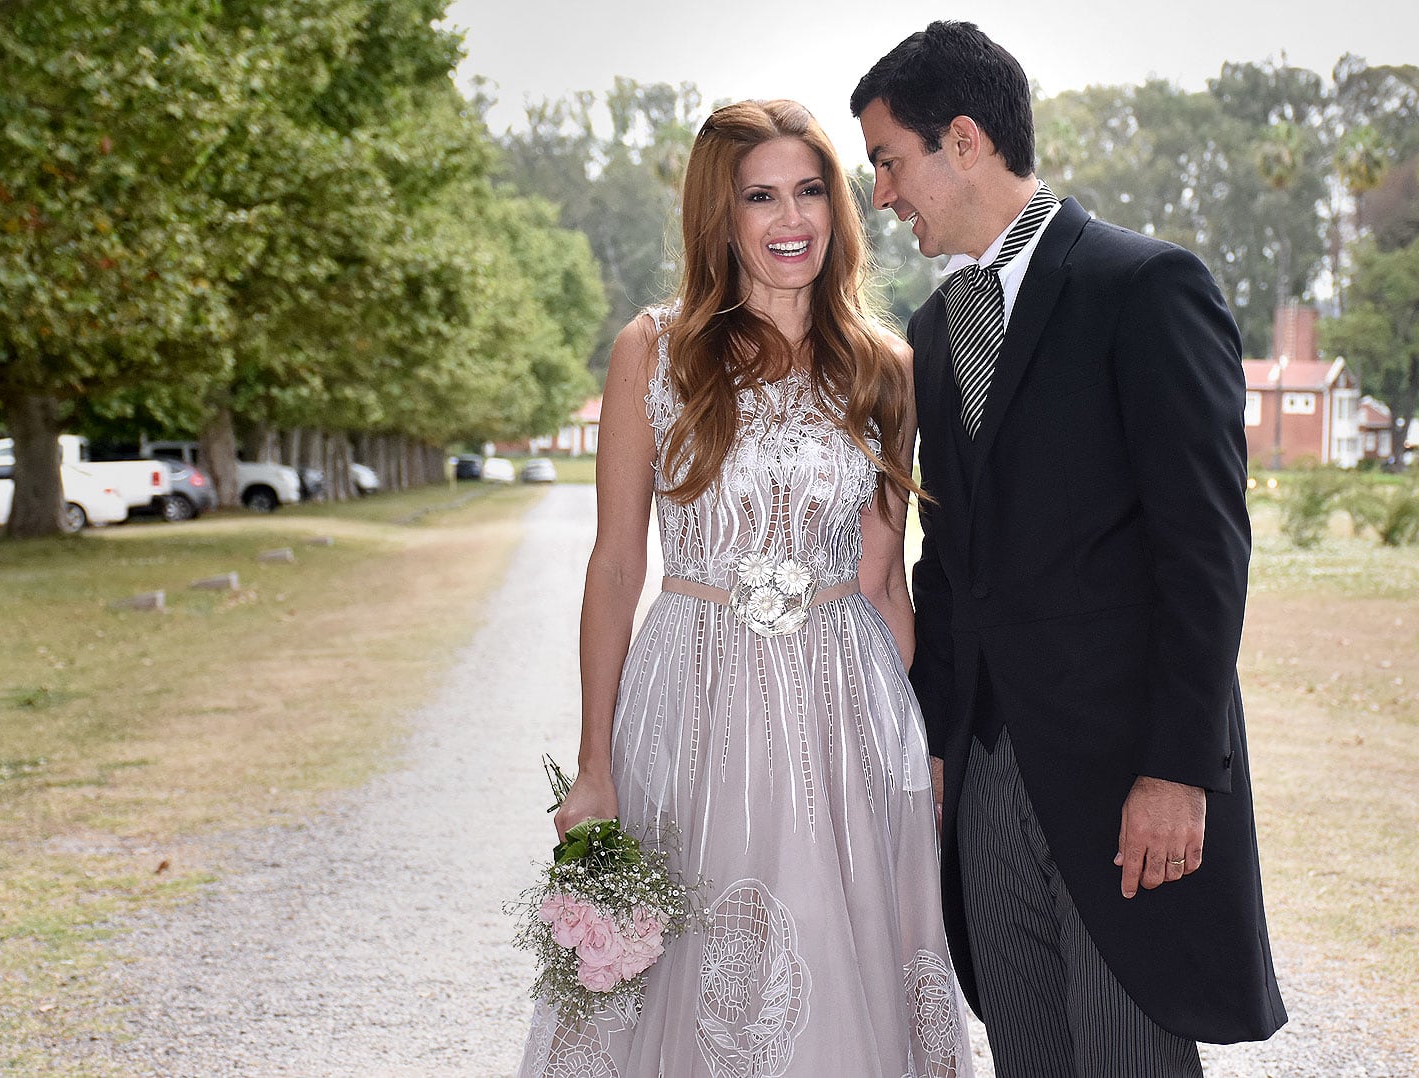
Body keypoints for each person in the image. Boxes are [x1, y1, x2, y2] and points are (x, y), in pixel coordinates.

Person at [853, 22, 1287, 1077]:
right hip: (993, 772)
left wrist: (1180, 768)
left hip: (1124, 770)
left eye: (886, 161)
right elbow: (948, 563)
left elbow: (1205, 547)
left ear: (963, 139)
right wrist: (943, 746)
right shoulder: (933, 324)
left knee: (1128, 1054)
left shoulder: (1145, 287)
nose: (881, 196)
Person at [523, 98, 972, 1078]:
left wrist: (921, 752)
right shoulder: (657, 348)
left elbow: (883, 579)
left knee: (840, 947)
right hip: (692, 695)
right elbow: (614, 566)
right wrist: (594, 763)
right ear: (718, 218)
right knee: (687, 963)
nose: (790, 218)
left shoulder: (883, 367)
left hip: (842, 706)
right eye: (760, 196)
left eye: (810, 190)